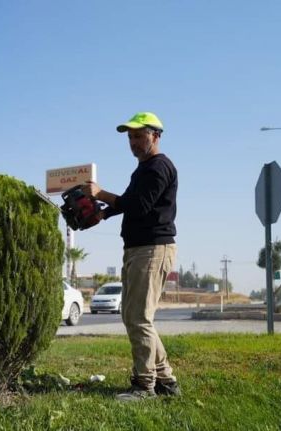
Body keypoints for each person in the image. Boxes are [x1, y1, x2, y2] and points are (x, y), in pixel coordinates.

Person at [83, 112, 180, 401]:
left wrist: (101, 194)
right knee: (134, 316)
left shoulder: (159, 167)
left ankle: (145, 386)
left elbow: (138, 205)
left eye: (139, 136)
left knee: (139, 318)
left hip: (152, 248)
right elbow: (127, 201)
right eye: (130, 137)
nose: (134, 142)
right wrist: (102, 212)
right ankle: (166, 381)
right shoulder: (143, 169)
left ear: (156, 136)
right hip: (138, 248)